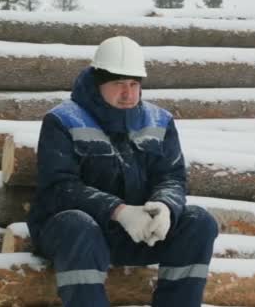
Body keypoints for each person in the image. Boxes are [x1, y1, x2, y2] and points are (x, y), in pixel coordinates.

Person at [27, 36, 219, 307]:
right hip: (72, 234)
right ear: (98, 83)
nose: (128, 93)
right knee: (78, 226)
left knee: (199, 222)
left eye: (134, 84)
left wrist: (165, 207)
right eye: (118, 84)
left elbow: (171, 176)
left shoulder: (159, 121)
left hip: (138, 231)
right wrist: (119, 211)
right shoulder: (62, 120)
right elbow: (60, 188)